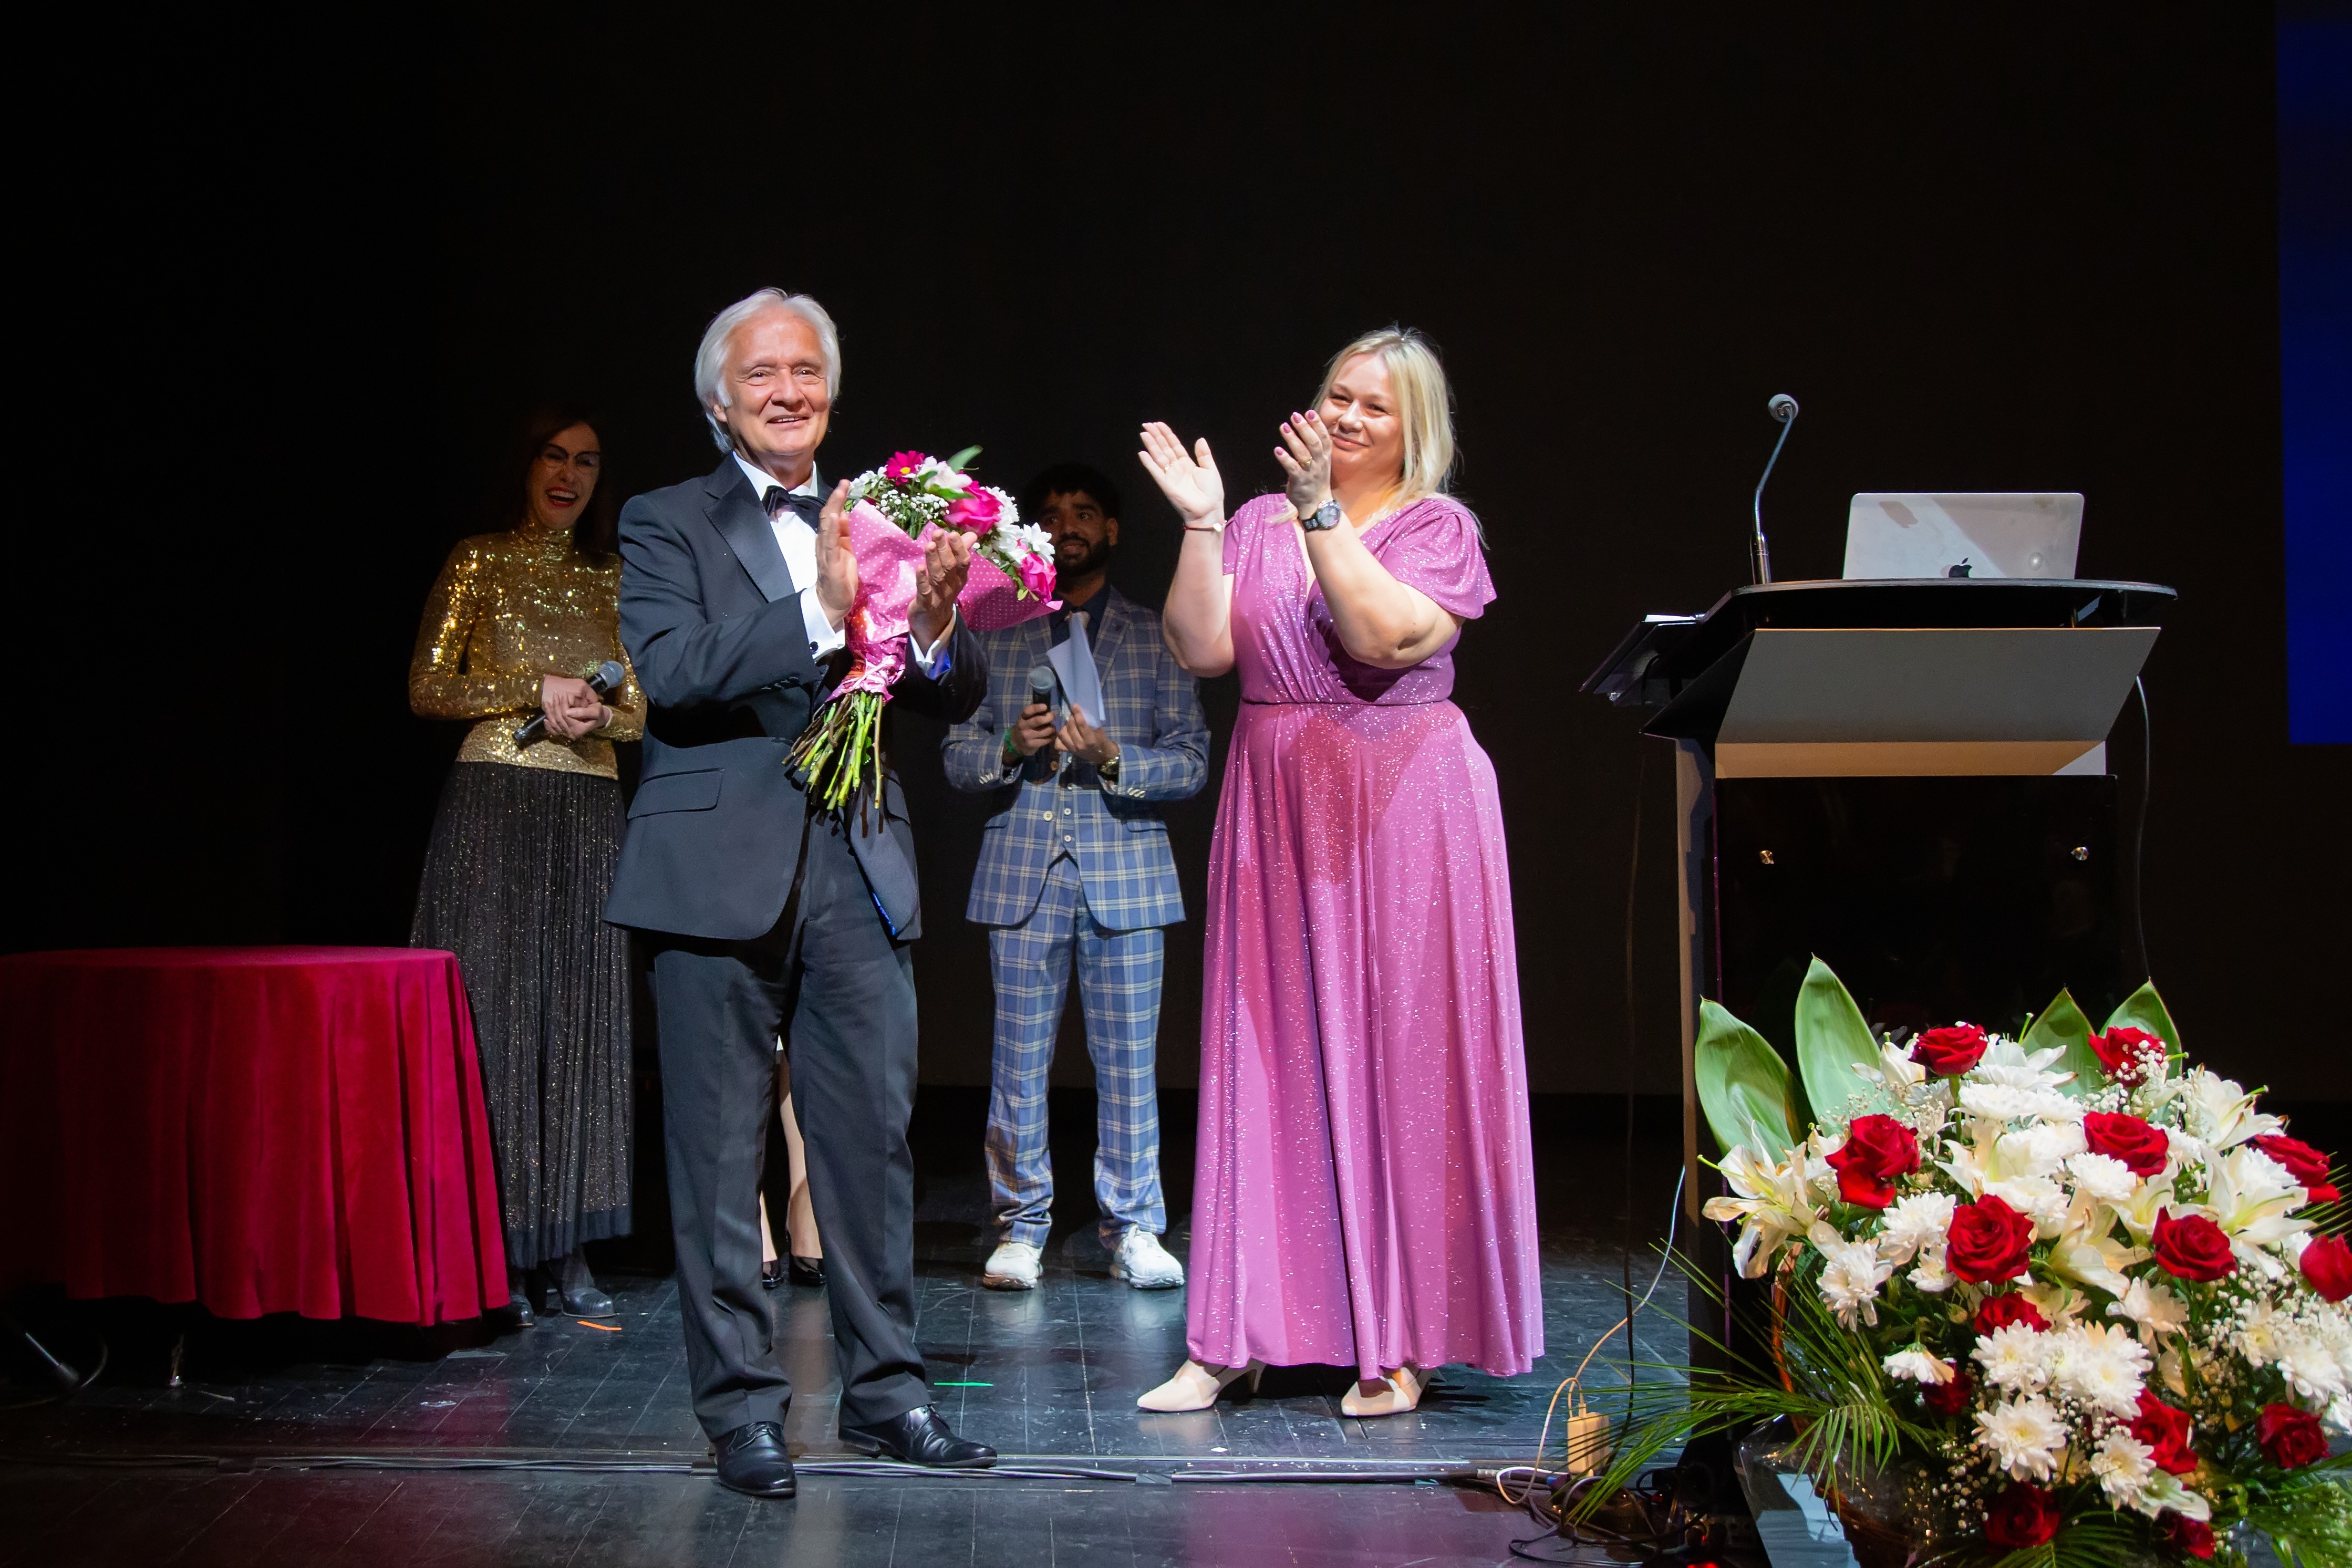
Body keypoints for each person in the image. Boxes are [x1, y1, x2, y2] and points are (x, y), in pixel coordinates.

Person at [604, 288, 995, 1501]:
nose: (789, 391)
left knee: (871, 1148)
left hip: (857, 865)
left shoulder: (878, 515)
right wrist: (822, 609)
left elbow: (952, 688)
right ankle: (742, 1411)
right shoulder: (664, 519)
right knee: (718, 1156)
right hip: (711, 875)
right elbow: (671, 671)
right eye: (762, 374)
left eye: (806, 371)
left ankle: (890, 1394)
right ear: (719, 402)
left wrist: (935, 622)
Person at [1133, 328, 1542, 1417]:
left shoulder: (1435, 526)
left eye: (1375, 405)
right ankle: (1234, 1334)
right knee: (1261, 1054)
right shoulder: (1258, 521)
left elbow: (1380, 638)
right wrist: (1203, 524)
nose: (1349, 417)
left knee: (1403, 1061)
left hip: (1402, 807)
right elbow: (1201, 648)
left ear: (1415, 428)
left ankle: (1398, 1337)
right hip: (1277, 802)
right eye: (1337, 396)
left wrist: (1320, 512)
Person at [941, 463, 1208, 1293]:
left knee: (1128, 1061)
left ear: (1111, 529)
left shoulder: (1156, 632)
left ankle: (1133, 1225)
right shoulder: (995, 630)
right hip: (1025, 868)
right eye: (1053, 515)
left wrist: (1115, 756)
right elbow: (956, 755)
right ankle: (1019, 1226)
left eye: (1085, 513)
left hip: (1126, 872)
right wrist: (1010, 747)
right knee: (1017, 1062)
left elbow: (1192, 760)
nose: (1068, 527)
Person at [409, 405, 642, 1326]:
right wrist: (529, 688)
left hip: (587, 807)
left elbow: (640, 711)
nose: (568, 475)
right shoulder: (480, 559)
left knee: (580, 1018)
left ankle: (568, 1244)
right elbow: (428, 687)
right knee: (496, 1017)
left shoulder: (613, 577)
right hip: (493, 804)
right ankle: (493, 1249)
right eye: (554, 456)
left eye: (586, 461)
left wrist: (599, 713)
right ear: (526, 463)